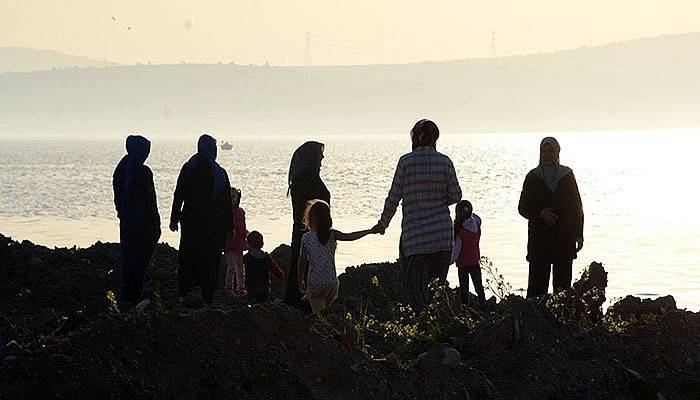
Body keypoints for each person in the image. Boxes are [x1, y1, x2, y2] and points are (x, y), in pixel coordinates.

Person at [373, 119, 462, 311]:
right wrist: (437, 201)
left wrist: (383, 223)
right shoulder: (445, 162)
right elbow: (456, 195)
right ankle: (437, 329)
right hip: (442, 237)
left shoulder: (405, 162)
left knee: (414, 292)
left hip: (415, 239)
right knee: (436, 291)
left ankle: (418, 331)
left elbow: (394, 197)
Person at [170, 134, 234, 305]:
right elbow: (227, 202)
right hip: (214, 226)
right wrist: (230, 227)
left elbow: (179, 194)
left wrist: (174, 217)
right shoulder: (220, 173)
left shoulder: (189, 168)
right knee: (211, 261)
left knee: (187, 257)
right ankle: (207, 298)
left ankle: (183, 293)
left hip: (191, 222)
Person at [518, 136, 584, 298]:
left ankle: (562, 320)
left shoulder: (567, 176)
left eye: (550, 151)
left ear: (557, 153)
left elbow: (577, 207)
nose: (547, 155)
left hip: (564, 238)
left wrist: (578, 234)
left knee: (562, 289)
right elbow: (523, 207)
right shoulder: (532, 177)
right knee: (537, 288)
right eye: (543, 151)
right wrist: (540, 212)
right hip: (540, 240)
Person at [298, 200, 378, 315]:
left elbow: (302, 262)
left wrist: (300, 280)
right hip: (331, 282)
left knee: (320, 316)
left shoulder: (306, 238)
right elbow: (350, 236)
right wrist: (369, 231)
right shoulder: (332, 234)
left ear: (312, 218)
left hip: (316, 284)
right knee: (327, 314)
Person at [112, 135, 161, 306]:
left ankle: (126, 295)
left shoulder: (121, 169)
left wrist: (122, 214)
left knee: (128, 258)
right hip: (144, 224)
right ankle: (134, 296)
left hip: (127, 222)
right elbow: (150, 201)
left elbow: (117, 198)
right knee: (140, 261)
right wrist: (157, 223)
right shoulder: (143, 172)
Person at [285, 141, 330, 310]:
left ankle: (300, 301)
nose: (322, 158)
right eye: (319, 154)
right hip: (309, 234)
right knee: (304, 266)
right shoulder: (306, 180)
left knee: (301, 265)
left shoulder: (304, 179)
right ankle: (302, 303)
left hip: (307, 232)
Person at [451, 200, 485, 307]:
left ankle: (465, 307)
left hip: (463, 265)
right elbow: (477, 216)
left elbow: (455, 254)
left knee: (464, 288)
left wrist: (446, 262)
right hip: (475, 261)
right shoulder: (477, 223)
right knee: (478, 285)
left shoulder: (461, 233)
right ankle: (483, 304)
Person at [242, 231, 285, 303]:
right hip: (264, 290)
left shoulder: (246, 258)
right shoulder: (266, 257)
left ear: (248, 244)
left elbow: (239, 270)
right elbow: (277, 271)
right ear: (262, 244)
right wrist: (281, 277)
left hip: (251, 289)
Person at [224, 187, 248, 297]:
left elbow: (243, 227)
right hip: (229, 244)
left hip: (239, 243)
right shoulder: (225, 213)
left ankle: (240, 288)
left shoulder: (241, 212)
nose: (232, 199)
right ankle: (229, 287)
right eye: (230, 197)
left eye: (234, 197)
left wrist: (248, 235)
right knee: (231, 267)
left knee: (240, 267)